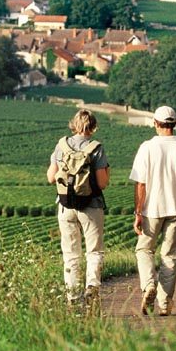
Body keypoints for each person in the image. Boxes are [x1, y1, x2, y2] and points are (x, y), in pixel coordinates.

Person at [130, 105, 176, 316]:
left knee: (144, 250)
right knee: (170, 256)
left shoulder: (146, 148)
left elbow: (140, 184)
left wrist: (138, 212)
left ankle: (148, 285)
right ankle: (163, 303)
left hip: (151, 209)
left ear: (155, 123)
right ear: (175, 124)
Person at [46, 109, 110, 309]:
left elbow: (50, 177)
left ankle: (73, 298)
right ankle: (91, 286)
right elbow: (101, 184)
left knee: (71, 254)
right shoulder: (96, 148)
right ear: (93, 126)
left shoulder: (61, 145)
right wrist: (107, 171)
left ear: (73, 124)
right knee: (94, 251)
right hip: (91, 206)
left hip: (66, 206)